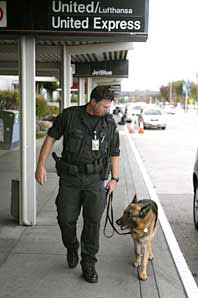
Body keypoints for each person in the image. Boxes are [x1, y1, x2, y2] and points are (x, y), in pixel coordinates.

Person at [35, 85, 120, 283]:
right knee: (65, 219)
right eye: (104, 107)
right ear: (93, 102)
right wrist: (40, 166)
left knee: (92, 223)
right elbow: (50, 139)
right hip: (70, 179)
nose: (108, 110)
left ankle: (88, 263)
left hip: (95, 180)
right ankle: (72, 246)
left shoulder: (109, 123)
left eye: (109, 107)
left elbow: (115, 151)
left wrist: (114, 179)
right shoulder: (69, 116)